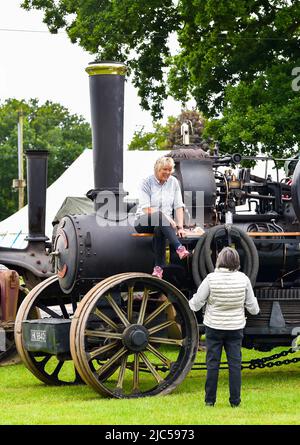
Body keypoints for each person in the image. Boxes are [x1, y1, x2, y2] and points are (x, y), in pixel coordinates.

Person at [188, 247, 260, 407]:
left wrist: (189, 304)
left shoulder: (210, 279)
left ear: (219, 260)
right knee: (235, 365)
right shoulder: (244, 279)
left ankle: (209, 401)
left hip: (214, 327)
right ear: (237, 261)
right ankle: (235, 401)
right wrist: (254, 309)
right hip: (235, 328)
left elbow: (196, 304)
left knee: (212, 364)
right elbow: (253, 307)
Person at [134, 156, 189, 279]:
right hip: (143, 221)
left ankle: (158, 268)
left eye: (170, 170)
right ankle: (179, 248)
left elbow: (179, 205)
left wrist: (180, 227)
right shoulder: (146, 182)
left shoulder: (174, 182)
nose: (168, 173)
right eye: (165, 169)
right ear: (157, 169)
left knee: (160, 228)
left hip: (162, 223)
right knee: (159, 216)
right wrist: (166, 217)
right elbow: (146, 208)